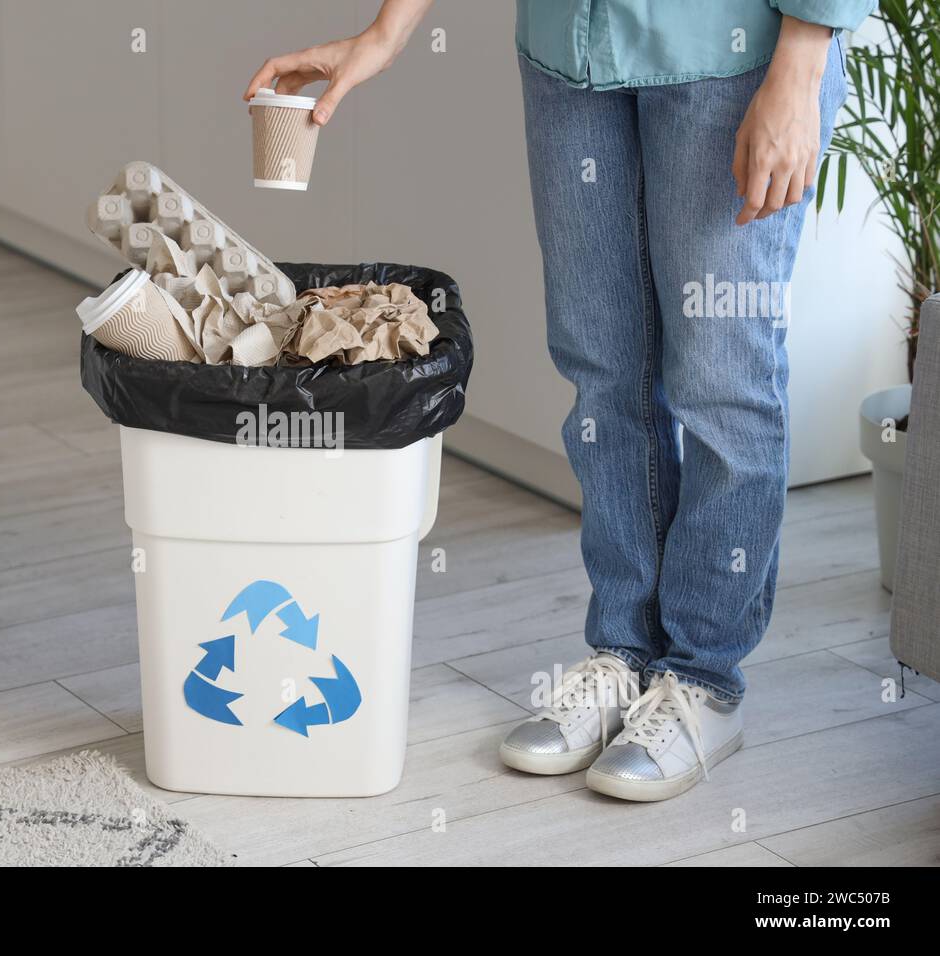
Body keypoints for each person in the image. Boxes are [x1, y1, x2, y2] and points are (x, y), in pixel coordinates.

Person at [246, 0, 877, 801]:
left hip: (736, 50)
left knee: (722, 381)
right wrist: (386, 31)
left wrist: (805, 54)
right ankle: (624, 651)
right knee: (600, 371)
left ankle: (703, 679)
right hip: (569, 52)